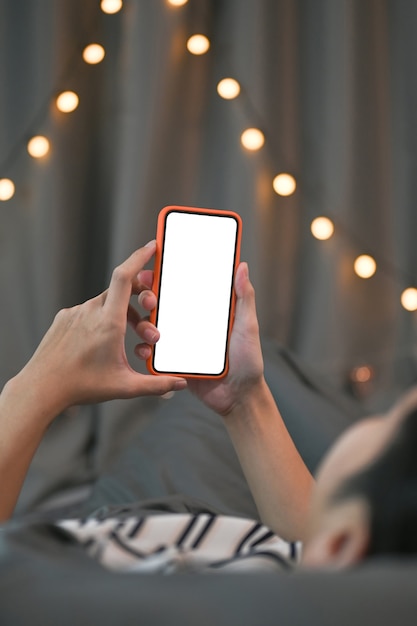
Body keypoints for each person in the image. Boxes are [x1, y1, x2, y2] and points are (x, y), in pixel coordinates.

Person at [0, 241, 416, 573]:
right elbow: (320, 552)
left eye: (386, 421)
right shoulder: (337, 574)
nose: (375, 420)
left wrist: (35, 390)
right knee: (268, 364)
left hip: (125, 510)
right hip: (204, 492)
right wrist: (244, 402)